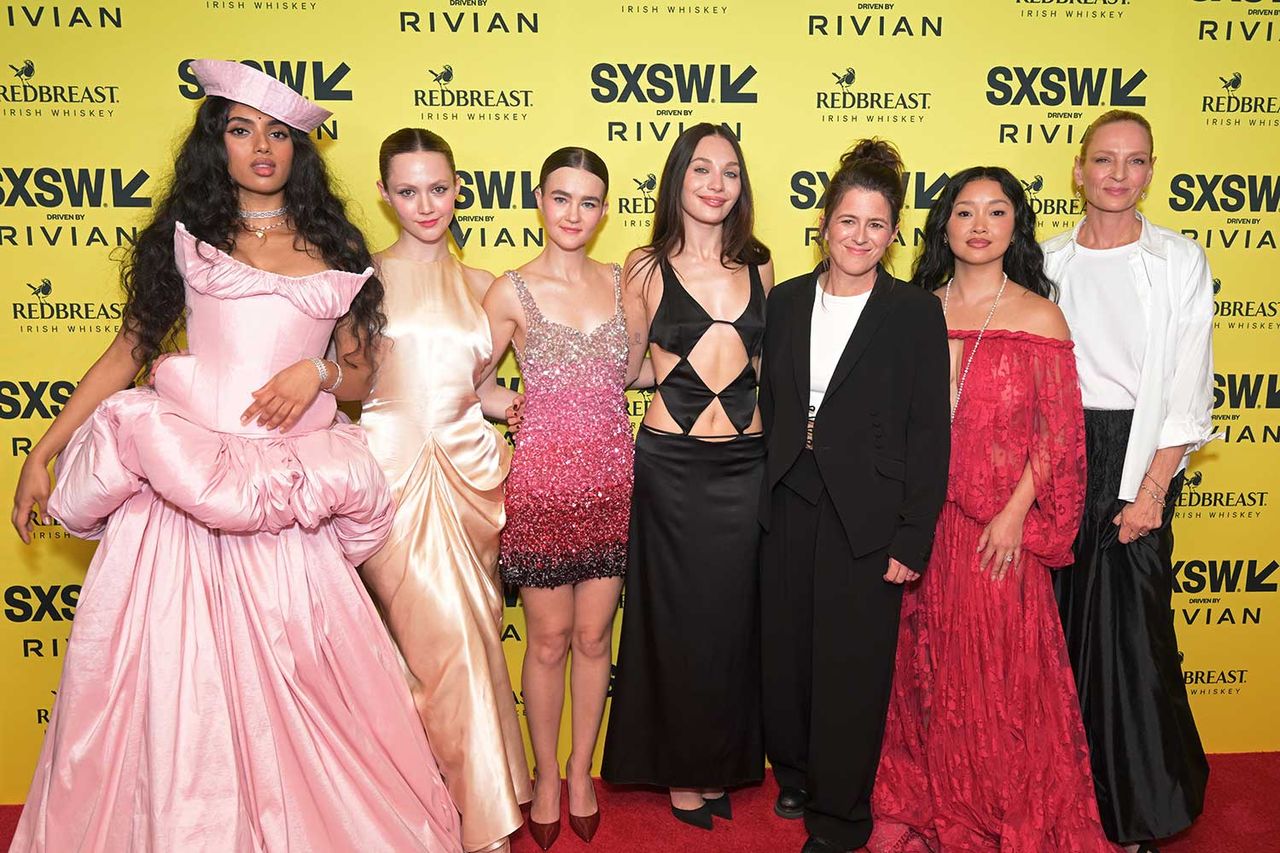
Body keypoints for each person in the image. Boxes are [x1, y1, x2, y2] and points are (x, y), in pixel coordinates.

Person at [8, 61, 460, 851]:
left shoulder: (334, 244)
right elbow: (129, 350)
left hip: (286, 505)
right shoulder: (191, 238)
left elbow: (359, 371)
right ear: (216, 143)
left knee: (312, 695)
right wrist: (43, 448)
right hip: (184, 503)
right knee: (179, 700)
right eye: (242, 129)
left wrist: (314, 371)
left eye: (279, 134)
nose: (261, 148)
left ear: (299, 150)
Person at [870, 166, 1114, 852]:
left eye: (996, 211)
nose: (979, 225)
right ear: (943, 224)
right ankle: (936, 800)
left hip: (999, 528)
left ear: (1016, 225)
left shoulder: (1040, 313)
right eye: (965, 211)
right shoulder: (917, 307)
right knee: (928, 669)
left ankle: (1002, 808)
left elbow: (1058, 431)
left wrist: (1015, 513)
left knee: (1000, 680)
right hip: (928, 524)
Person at [756, 139, 950, 853]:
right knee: (788, 656)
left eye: (875, 224)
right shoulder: (784, 300)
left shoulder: (913, 314)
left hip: (865, 514)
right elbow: (771, 405)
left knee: (850, 669)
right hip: (785, 499)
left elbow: (930, 432)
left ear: (894, 234)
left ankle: (839, 818)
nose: (859, 236)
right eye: (847, 220)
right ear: (824, 223)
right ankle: (799, 771)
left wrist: (911, 536)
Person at [356, 128, 531, 853]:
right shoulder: (358, 275)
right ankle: (472, 822)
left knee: (473, 637)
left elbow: (476, 384)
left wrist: (508, 406)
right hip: (390, 477)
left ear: (459, 188)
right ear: (384, 195)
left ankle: (459, 804)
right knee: (433, 649)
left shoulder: (482, 283)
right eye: (407, 190)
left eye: (438, 188)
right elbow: (343, 379)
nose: (425, 204)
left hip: (470, 477)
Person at [1046, 110, 1213, 853]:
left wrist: (1152, 491)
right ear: (1079, 170)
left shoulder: (1180, 260)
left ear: (1151, 171)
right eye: (1104, 160)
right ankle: (1063, 794)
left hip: (1140, 450)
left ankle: (1143, 805)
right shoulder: (1048, 261)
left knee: (1133, 634)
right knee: (1059, 627)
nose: (1118, 174)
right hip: (1058, 453)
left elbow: (1187, 384)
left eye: (1135, 160)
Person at [601, 122, 774, 830]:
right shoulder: (643, 266)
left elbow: (763, 369)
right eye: (700, 170)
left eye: (729, 171)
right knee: (672, 622)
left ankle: (723, 761)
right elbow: (630, 366)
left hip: (746, 464)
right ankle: (678, 768)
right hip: (670, 464)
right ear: (678, 180)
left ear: (741, 185)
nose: (715, 184)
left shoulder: (759, 264)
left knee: (733, 624)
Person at [482, 147, 639, 850]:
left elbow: (632, 374)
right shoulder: (511, 291)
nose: (574, 213)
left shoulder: (623, 283)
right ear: (540, 202)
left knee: (593, 636)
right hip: (541, 486)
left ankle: (581, 771)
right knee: (545, 640)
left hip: (610, 483)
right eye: (561, 197)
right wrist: (512, 404)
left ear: (603, 210)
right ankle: (545, 775)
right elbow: (469, 381)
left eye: (588, 201)